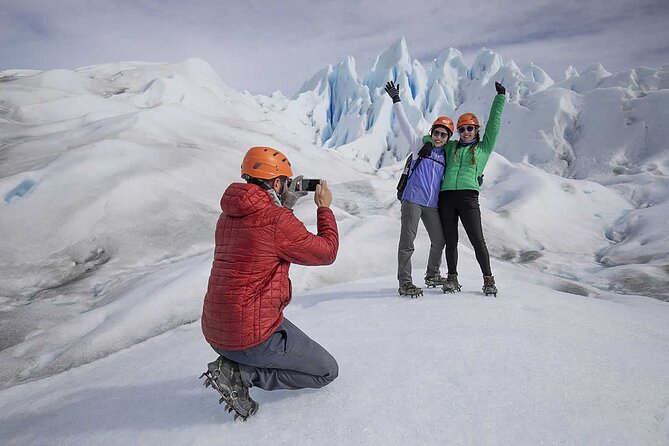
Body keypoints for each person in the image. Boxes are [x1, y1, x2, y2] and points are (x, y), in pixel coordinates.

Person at [200, 146, 339, 420]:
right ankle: (240, 373)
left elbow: (259, 231)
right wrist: (324, 209)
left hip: (217, 331)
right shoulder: (277, 221)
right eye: (285, 183)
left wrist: (283, 204)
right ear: (277, 183)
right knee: (327, 371)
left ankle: (237, 363)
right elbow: (326, 252)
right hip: (250, 336)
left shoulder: (227, 217)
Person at [435, 81, 506, 296]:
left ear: (476, 130)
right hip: (446, 197)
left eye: (470, 128)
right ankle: (452, 278)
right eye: (462, 129)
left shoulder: (483, 147)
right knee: (451, 241)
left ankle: (488, 279)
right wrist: (430, 140)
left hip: (468, 197)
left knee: (477, 240)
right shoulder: (451, 146)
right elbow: (436, 135)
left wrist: (500, 98)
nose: (466, 132)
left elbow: (494, 124)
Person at [384, 81, 453, 297]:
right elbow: (405, 124)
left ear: (448, 138)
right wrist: (396, 100)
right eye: (436, 133)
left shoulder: (446, 157)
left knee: (439, 240)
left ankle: (432, 274)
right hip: (412, 200)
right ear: (431, 133)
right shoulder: (419, 147)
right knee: (407, 242)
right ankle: (405, 282)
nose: (439, 137)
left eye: (443, 135)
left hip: (431, 205)